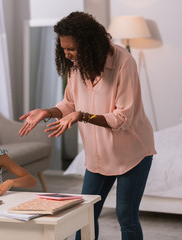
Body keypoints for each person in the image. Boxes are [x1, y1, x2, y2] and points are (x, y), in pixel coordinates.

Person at [18, 11, 156, 240]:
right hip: (98, 154)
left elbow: (121, 118)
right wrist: (47, 112)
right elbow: (69, 103)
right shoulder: (76, 66)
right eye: (63, 49)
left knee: (126, 216)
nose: (67, 54)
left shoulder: (124, 62)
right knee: (83, 215)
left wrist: (82, 116)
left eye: (71, 48)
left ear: (90, 43)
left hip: (133, 153)